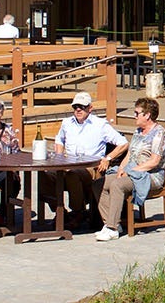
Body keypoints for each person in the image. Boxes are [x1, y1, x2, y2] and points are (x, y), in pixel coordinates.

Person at [95, 97, 165, 241]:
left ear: (147, 115)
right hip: (131, 172)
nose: (134, 116)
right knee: (100, 183)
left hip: (150, 176)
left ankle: (112, 229)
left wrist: (130, 171)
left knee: (118, 185)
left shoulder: (159, 133)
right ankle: (112, 222)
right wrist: (121, 169)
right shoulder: (138, 131)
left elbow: (154, 161)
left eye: (137, 113)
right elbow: (129, 154)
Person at [52, 91, 127, 229]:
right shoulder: (67, 123)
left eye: (82, 106)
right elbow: (59, 139)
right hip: (68, 163)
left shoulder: (100, 125)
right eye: (75, 107)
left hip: (91, 168)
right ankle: (59, 209)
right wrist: (59, 156)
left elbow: (123, 143)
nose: (78, 109)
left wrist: (108, 158)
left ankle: (77, 212)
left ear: (90, 108)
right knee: (45, 174)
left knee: (72, 175)